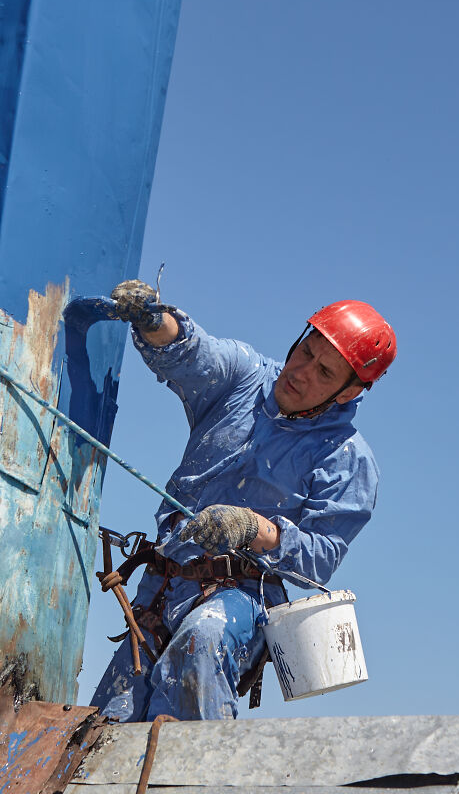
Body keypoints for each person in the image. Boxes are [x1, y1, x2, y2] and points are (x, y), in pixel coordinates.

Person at [91, 280, 396, 722]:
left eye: (326, 373)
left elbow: (321, 559)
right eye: (307, 351)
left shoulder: (348, 459)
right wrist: (153, 319)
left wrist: (257, 529)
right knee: (108, 722)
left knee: (202, 639)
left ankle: (196, 786)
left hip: (243, 600)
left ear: (349, 392)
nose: (302, 371)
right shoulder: (244, 376)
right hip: (159, 592)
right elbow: (192, 353)